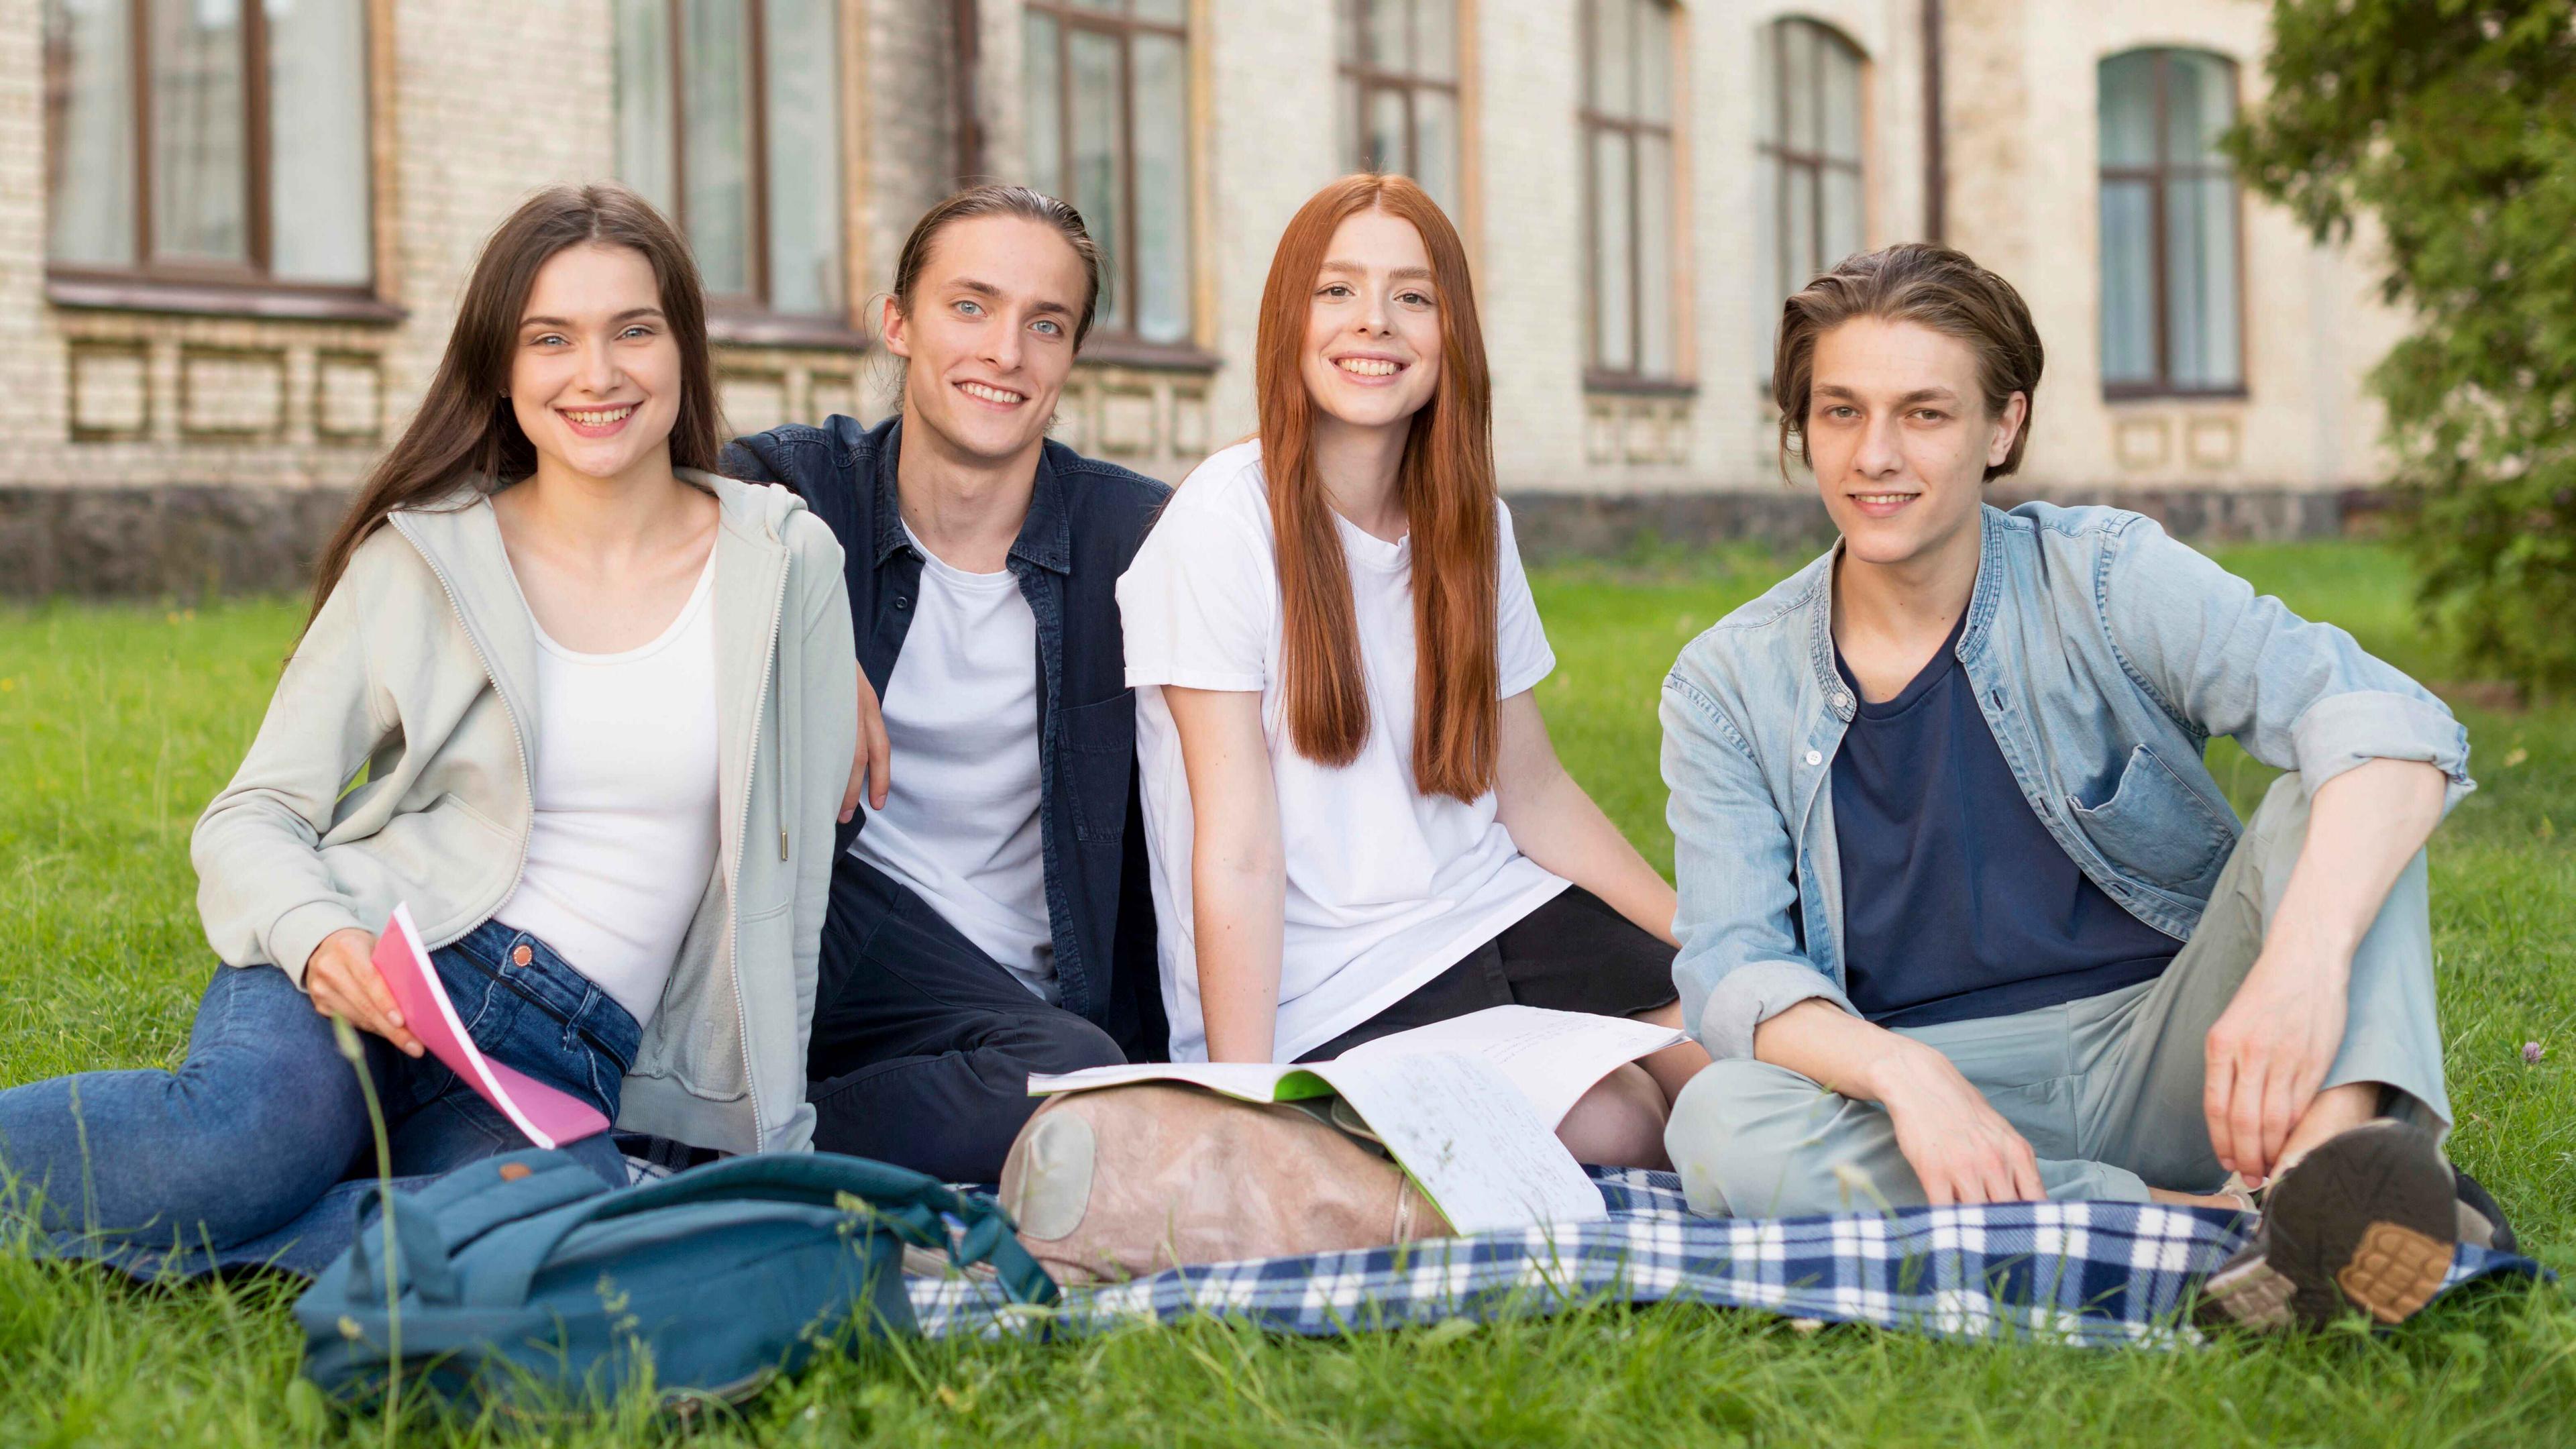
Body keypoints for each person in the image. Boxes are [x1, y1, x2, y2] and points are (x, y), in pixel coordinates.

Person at [0, 184, 856, 1271]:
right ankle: (274, 1187)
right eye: (552, 339)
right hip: (383, 959)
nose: (596, 375)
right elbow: (253, 813)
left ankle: (250, 1219)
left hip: (565, 1060)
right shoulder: (420, 561)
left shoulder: (788, 569)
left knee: (548, 1236)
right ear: (504, 367)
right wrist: (318, 940)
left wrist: (773, 1138)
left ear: (684, 349)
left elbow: (793, 897)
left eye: (632, 330)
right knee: (241, 1146)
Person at [1658, 241, 2507, 1330]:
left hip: (2188, 1055)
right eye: (1840, 413)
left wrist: (2299, 973)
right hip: (1936, 1094)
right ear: (1802, 427)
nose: (1876, 455)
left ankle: (2326, 1169)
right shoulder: (1727, 682)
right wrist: (1906, 1079)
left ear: (2002, 427)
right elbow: (1734, 967)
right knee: (1722, 1121)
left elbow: (2389, 725)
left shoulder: (2103, 578)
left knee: (2346, 789)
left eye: (1925, 413)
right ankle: (2223, 1228)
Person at [1116, 174, 1710, 1170]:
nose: (1375, 323)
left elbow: (1535, 791)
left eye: (1413, 296)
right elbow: (1237, 850)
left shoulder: (1471, 524)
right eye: (1337, 291)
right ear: (1288, 322)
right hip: (1336, 976)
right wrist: (1242, 1104)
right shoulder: (1225, 520)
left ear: (1451, 333)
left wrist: (1710, 940)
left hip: (1492, 908)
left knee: (1732, 1055)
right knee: (1622, 1124)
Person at [722, 186, 1169, 1185]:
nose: (1005, 351)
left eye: (1044, 324)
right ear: (899, 325)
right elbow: (659, 528)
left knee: (1086, 1080)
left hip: (1011, 1007)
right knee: (1076, 1091)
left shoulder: (1135, 544)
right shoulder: (793, 492)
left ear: (1069, 359)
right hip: (825, 934)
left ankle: (711, 1141)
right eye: (970, 306)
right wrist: (798, 634)